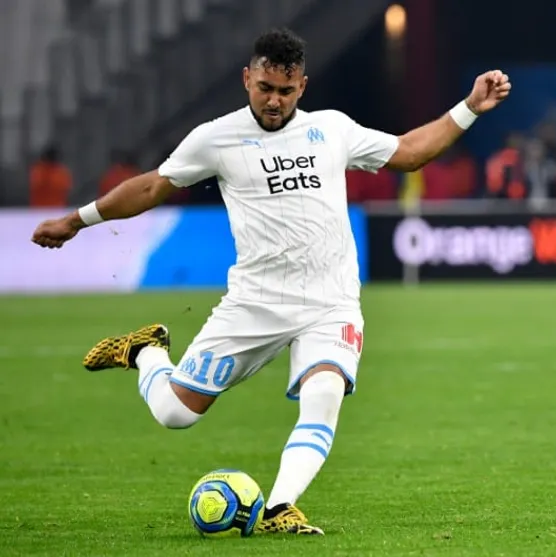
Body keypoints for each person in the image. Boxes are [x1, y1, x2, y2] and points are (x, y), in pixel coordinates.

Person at [31, 28, 511, 535]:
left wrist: (469, 107)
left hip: (331, 301)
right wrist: (76, 220)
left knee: (324, 391)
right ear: (247, 79)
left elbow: (409, 152)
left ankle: (280, 508)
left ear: (302, 86)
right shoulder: (215, 138)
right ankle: (146, 351)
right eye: (264, 88)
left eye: (285, 90)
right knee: (175, 413)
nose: (274, 100)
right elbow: (151, 187)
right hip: (255, 302)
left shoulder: (332, 128)